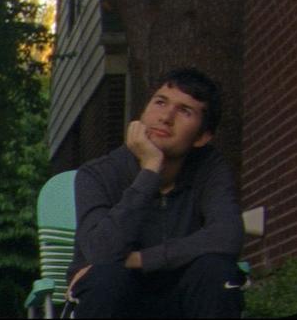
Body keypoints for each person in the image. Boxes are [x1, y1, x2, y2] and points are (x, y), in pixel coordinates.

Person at [67, 68, 246, 317]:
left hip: (184, 298)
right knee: (106, 275)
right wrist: (150, 171)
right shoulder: (98, 174)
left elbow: (228, 236)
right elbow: (101, 252)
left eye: (185, 111)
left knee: (216, 270)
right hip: (118, 297)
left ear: (202, 137)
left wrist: (140, 259)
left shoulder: (209, 168)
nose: (166, 117)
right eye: (160, 102)